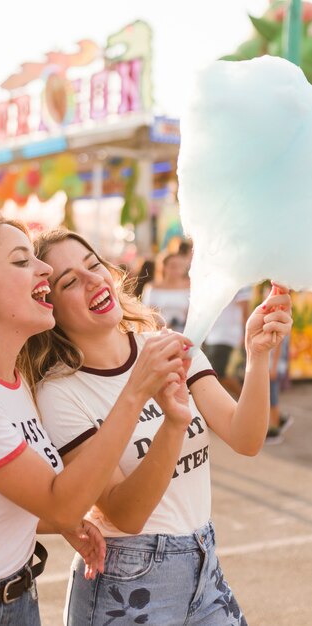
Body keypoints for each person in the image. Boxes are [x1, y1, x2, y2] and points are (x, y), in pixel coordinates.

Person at [0, 216, 190, 626]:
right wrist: (136, 391)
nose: (45, 270)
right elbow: (62, 499)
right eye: (21, 261)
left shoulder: (15, 384)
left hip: (13, 599)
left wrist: (58, 523)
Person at [30, 228, 293, 626]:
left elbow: (245, 437)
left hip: (204, 565)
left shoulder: (166, 343)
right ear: (51, 309)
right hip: (127, 581)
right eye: (69, 282)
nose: (93, 281)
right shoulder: (60, 392)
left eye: (93, 265)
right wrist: (173, 423)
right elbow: (125, 514)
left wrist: (257, 356)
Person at [203, 286, 252, 399]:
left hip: (228, 336)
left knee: (218, 374)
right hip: (212, 335)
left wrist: (246, 335)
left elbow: (244, 311)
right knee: (214, 375)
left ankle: (249, 402)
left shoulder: (240, 282)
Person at [141, 251, 190, 331]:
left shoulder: (189, 288)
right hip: (159, 331)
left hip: (184, 331)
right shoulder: (152, 287)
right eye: (173, 266)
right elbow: (147, 312)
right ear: (164, 267)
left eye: (180, 266)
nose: (177, 270)